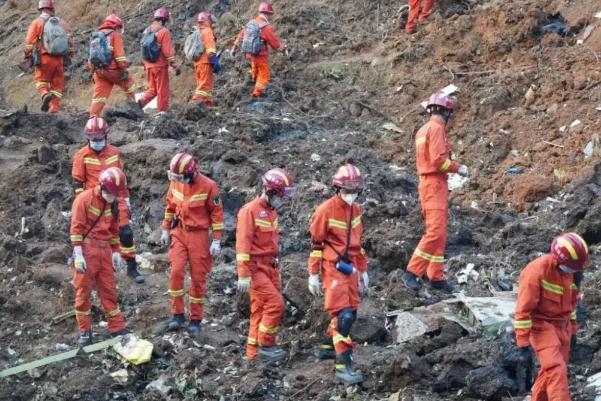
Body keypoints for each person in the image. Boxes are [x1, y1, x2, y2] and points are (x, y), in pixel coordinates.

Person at [307, 164, 368, 385]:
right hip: (333, 268)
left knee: (352, 312)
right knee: (344, 317)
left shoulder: (356, 211)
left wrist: (362, 269)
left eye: (355, 190)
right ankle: (344, 367)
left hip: (350, 268)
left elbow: (357, 244)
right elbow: (316, 244)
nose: (352, 194)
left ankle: (326, 347)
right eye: (348, 189)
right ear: (338, 188)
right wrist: (313, 273)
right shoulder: (325, 211)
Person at [402, 92, 468, 293]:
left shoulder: (423, 130)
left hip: (428, 184)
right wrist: (458, 167)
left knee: (439, 232)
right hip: (434, 184)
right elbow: (439, 160)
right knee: (436, 232)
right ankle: (412, 272)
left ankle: (436, 276)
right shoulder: (437, 129)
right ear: (446, 112)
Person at [513, 233, 589, 401]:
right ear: (560, 260)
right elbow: (523, 311)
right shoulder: (535, 272)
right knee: (556, 369)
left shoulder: (573, 272)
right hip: (541, 326)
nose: (576, 271)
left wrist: (573, 330)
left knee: (550, 373)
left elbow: (572, 304)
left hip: (564, 327)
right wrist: (523, 344)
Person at [72, 116, 144, 283]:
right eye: (94, 139)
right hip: (94, 201)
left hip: (116, 198)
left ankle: (132, 267)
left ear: (106, 136)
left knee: (125, 232)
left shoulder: (114, 152)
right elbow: (78, 183)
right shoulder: (81, 156)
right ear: (88, 138)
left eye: (100, 138)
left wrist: (126, 201)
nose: (97, 141)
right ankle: (93, 268)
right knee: (96, 235)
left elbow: (121, 179)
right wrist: (82, 206)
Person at [160, 152, 224, 337]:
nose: (177, 180)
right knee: (176, 271)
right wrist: (165, 229)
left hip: (199, 236)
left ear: (191, 173)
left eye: (180, 177)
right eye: (175, 177)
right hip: (179, 232)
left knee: (198, 278)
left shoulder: (209, 186)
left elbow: (217, 215)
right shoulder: (176, 183)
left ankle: (196, 319)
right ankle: (177, 314)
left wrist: (217, 240)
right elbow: (170, 206)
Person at [235, 168, 295, 363]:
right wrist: (243, 274)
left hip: (271, 267)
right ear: (271, 191)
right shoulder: (249, 211)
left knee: (259, 310)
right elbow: (243, 245)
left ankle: (252, 356)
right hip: (255, 269)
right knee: (275, 305)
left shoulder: (271, 212)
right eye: (281, 195)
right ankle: (266, 345)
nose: (283, 199)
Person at [70, 167, 131, 346]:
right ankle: (85, 331)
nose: (114, 197)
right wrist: (78, 254)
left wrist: (116, 251)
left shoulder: (113, 202)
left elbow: (113, 230)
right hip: (87, 250)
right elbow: (76, 229)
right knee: (83, 292)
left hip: (104, 250)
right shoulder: (84, 199)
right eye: (112, 193)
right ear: (103, 187)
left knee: (108, 290)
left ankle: (117, 327)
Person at [23, 0, 75, 113]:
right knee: (57, 85)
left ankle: (45, 94)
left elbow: (29, 42)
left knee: (40, 80)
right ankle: (54, 109)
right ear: (52, 9)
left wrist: (27, 55)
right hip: (59, 60)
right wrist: (71, 54)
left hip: (44, 58)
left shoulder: (37, 22)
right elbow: (70, 41)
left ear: (41, 9)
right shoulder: (62, 23)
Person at [231, 2, 286, 98]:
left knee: (255, 68)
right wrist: (282, 49)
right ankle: (256, 94)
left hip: (249, 53)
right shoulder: (266, 27)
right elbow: (274, 44)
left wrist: (234, 47)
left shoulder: (251, 23)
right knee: (264, 75)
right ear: (268, 14)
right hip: (260, 55)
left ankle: (253, 80)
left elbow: (241, 35)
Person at [89, 14, 136, 116]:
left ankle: (92, 120)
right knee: (129, 85)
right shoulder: (115, 35)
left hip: (99, 71)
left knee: (98, 98)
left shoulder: (96, 35)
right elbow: (119, 56)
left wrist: (92, 71)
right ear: (117, 25)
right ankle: (135, 111)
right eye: (119, 28)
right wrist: (123, 69)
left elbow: (92, 57)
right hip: (113, 70)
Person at [138, 7, 181, 113]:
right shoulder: (164, 31)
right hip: (159, 66)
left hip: (148, 66)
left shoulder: (147, 30)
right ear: (164, 19)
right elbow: (167, 52)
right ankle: (162, 112)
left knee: (152, 90)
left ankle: (138, 104)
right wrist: (175, 65)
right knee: (162, 90)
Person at [191, 12, 221, 107]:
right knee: (203, 87)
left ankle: (208, 106)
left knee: (205, 88)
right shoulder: (207, 30)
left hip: (197, 64)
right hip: (205, 63)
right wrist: (214, 60)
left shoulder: (198, 31)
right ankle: (193, 105)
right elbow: (210, 47)